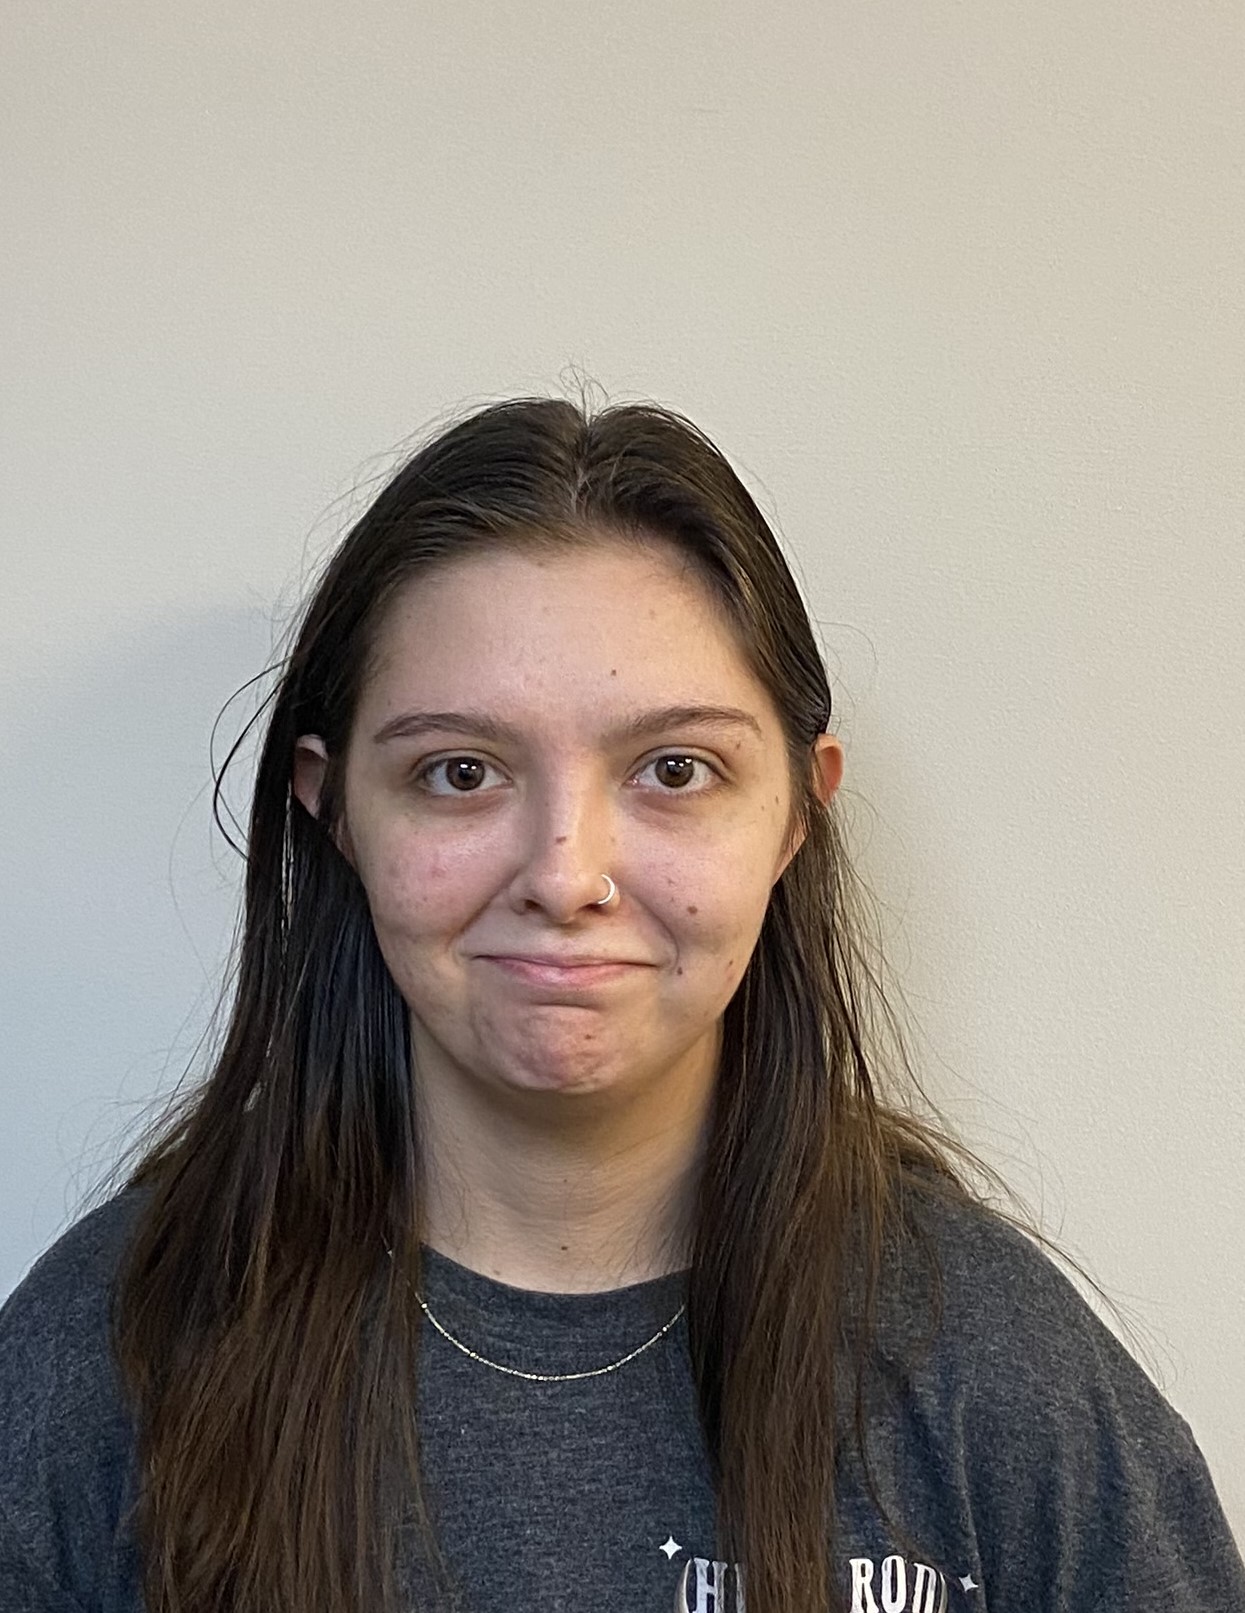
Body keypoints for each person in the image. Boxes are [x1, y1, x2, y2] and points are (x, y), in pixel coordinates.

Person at [0, 395, 1241, 1613]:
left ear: (797, 813)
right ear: (337, 811)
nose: (565, 874)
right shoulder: (108, 1355)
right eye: (460, 771)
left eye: (674, 769)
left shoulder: (998, 1373)